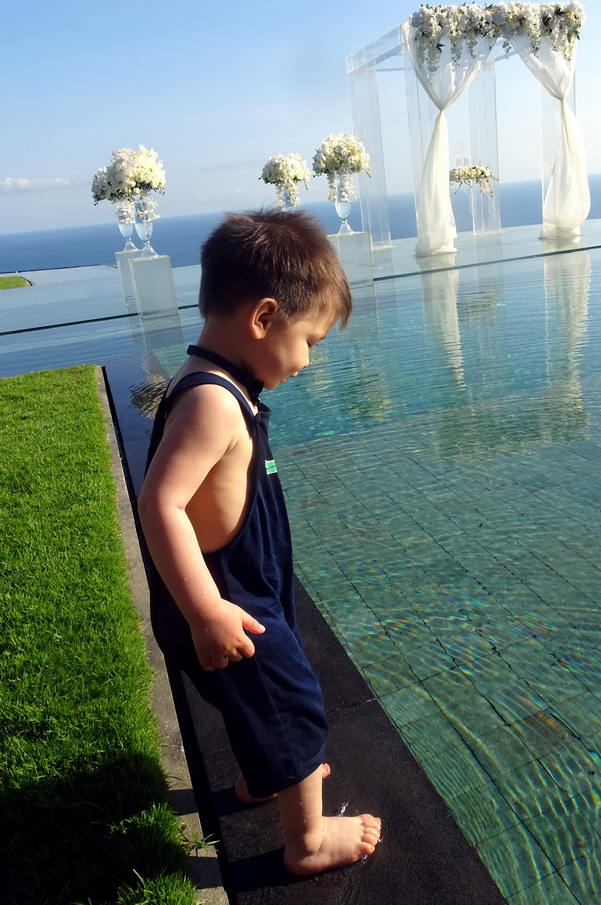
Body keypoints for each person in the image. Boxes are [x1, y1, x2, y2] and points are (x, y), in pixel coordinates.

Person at [138, 209, 381, 876]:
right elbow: (160, 502)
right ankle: (307, 842)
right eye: (309, 340)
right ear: (264, 316)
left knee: (256, 704)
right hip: (230, 598)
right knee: (295, 708)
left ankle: (261, 779)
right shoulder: (213, 402)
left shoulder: (215, 379)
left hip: (238, 585)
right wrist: (206, 611)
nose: (307, 361)